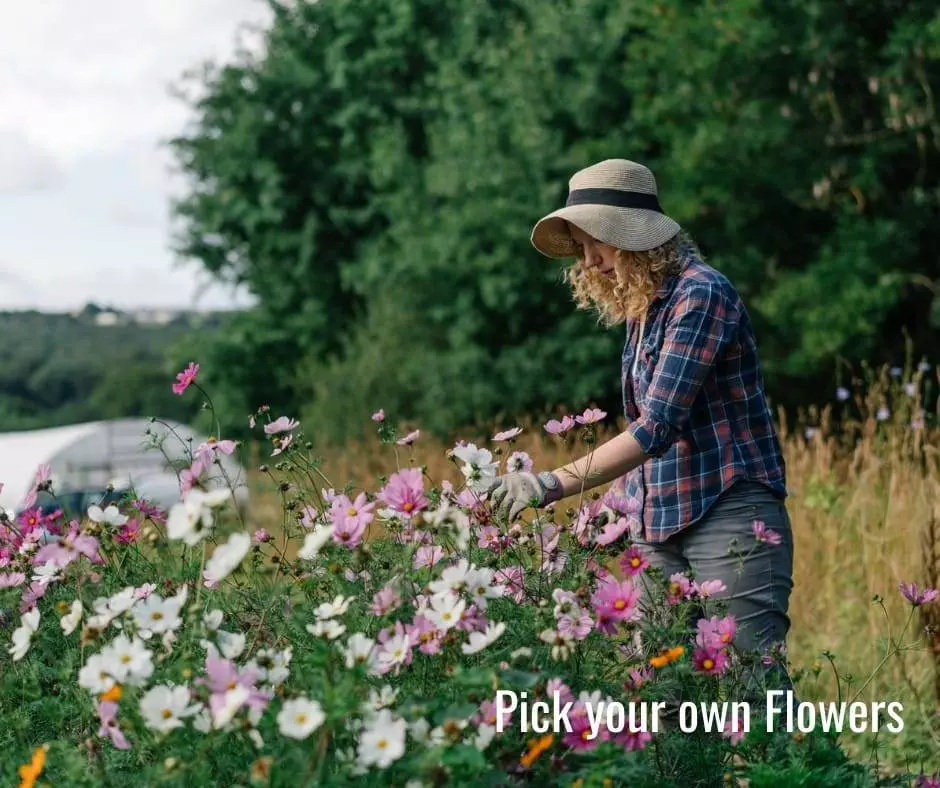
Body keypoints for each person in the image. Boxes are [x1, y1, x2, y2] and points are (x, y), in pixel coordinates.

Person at [483, 158, 793, 660]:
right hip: (658, 519)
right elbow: (646, 440)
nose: (587, 262)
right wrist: (604, 518)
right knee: (659, 690)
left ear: (632, 236)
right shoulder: (645, 308)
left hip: (729, 508)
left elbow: (657, 428)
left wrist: (549, 485)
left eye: (594, 244)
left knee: (750, 684)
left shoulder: (701, 294)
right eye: (580, 249)